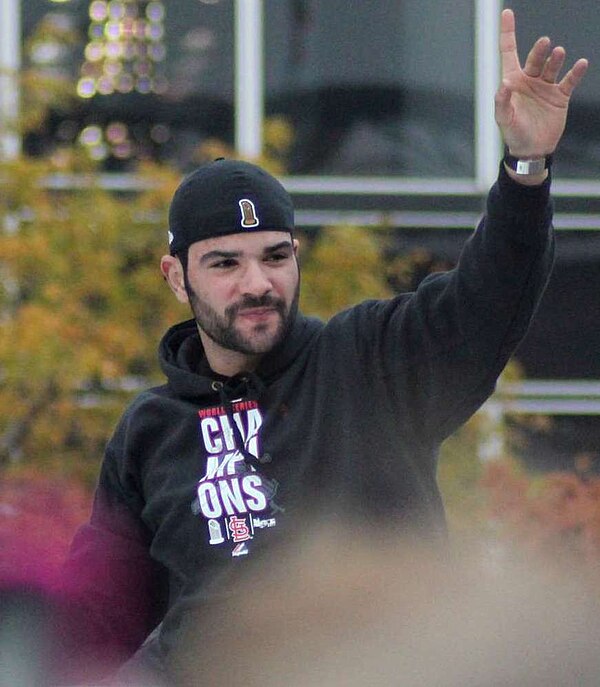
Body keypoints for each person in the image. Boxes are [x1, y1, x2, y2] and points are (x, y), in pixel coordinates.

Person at [56, 9, 588, 686]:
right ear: (176, 277)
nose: (258, 283)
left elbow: (490, 296)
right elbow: (93, 617)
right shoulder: (148, 432)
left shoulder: (368, 362)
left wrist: (526, 168)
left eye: (275, 256)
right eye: (225, 264)